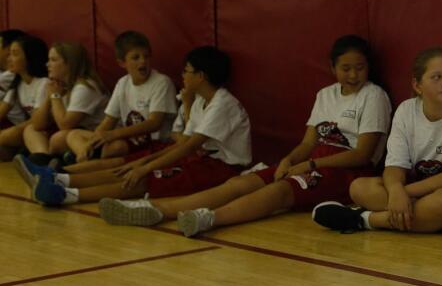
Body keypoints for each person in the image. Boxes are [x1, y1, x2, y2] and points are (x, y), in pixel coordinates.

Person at [97, 35, 391, 238]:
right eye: (345, 68)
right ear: (332, 67)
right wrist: (289, 159)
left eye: (359, 68)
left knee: (279, 192)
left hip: (347, 170)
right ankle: (156, 210)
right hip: (314, 161)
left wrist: (309, 167)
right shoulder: (325, 95)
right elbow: (308, 143)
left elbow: (362, 153)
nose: (353, 74)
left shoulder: (373, 96)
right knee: (242, 182)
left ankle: (210, 218)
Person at [20, 46, 251, 207]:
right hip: (200, 158)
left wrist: (145, 167)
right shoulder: (200, 99)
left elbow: (187, 145)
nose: (182, 75)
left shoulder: (222, 104)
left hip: (222, 169)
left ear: (200, 76)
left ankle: (65, 194)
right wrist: (141, 162)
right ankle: (59, 179)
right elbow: (183, 142)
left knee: (141, 179)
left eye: (186, 71)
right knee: (129, 168)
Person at [311, 46, 442, 236]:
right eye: (437, 77)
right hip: (421, 188)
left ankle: (365, 219)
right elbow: (394, 166)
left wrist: (404, 193)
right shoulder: (406, 110)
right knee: (359, 187)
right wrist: (395, 191)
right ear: (417, 85)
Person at [65, 31, 177, 163]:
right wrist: (93, 141)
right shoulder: (123, 82)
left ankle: (77, 162)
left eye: (146, 56)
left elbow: (154, 123)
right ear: (122, 63)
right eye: (136, 57)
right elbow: (109, 121)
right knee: (73, 135)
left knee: (116, 147)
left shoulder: (162, 82)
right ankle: (84, 157)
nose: (143, 61)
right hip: (129, 140)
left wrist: (112, 135)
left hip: (153, 143)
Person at [22, 41, 107, 165]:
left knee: (59, 138)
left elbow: (65, 125)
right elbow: (37, 124)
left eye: (53, 60)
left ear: (69, 64)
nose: (47, 64)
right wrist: (49, 97)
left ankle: (46, 163)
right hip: (76, 132)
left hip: (94, 136)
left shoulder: (85, 87)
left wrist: (55, 96)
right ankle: (45, 159)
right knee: (30, 130)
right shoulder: (60, 85)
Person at [0, 34, 49, 160]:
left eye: (15, 54)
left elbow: (38, 122)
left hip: (45, 130)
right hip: (29, 129)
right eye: (9, 54)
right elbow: (2, 111)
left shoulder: (43, 83)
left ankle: (44, 161)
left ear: (29, 57)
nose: (9, 59)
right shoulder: (17, 83)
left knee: (23, 132)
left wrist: (12, 131)